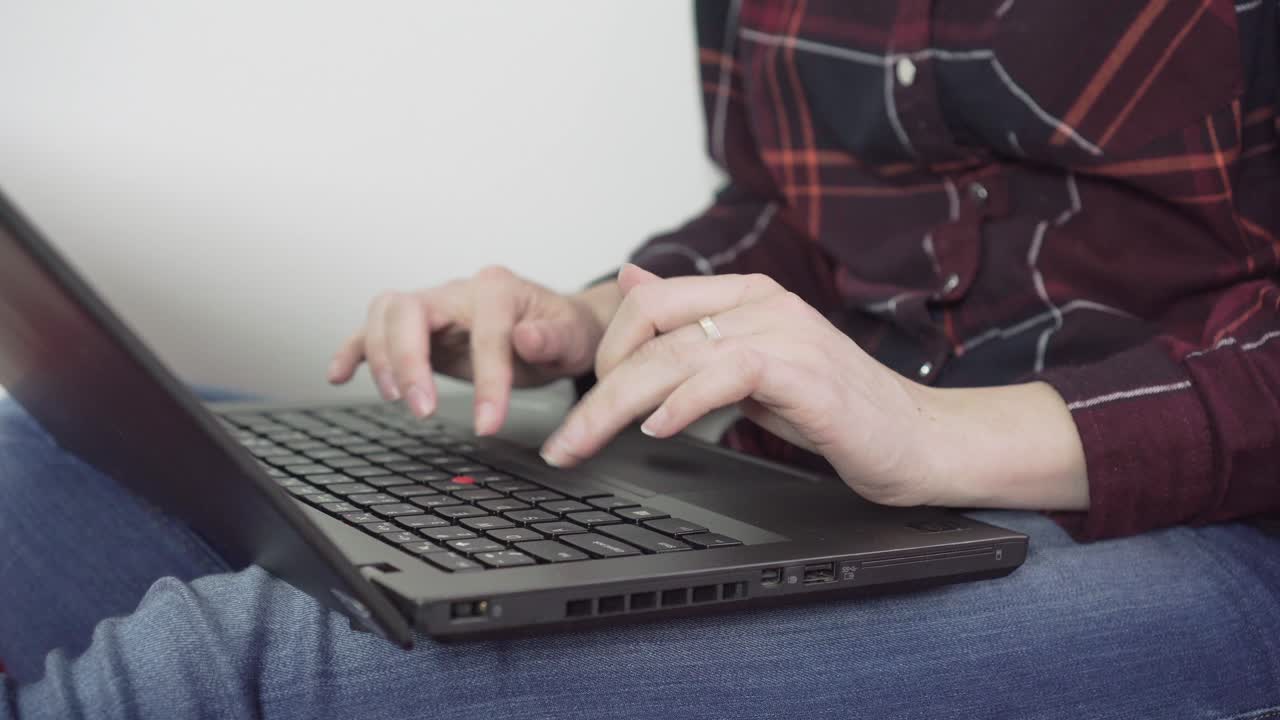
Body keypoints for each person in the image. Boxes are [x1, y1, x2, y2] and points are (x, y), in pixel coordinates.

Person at [3, 2, 1279, 717]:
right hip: (812, 485)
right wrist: (591, 312)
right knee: (27, 474)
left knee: (258, 665)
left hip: (1199, 528)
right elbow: (791, 211)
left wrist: (935, 436)